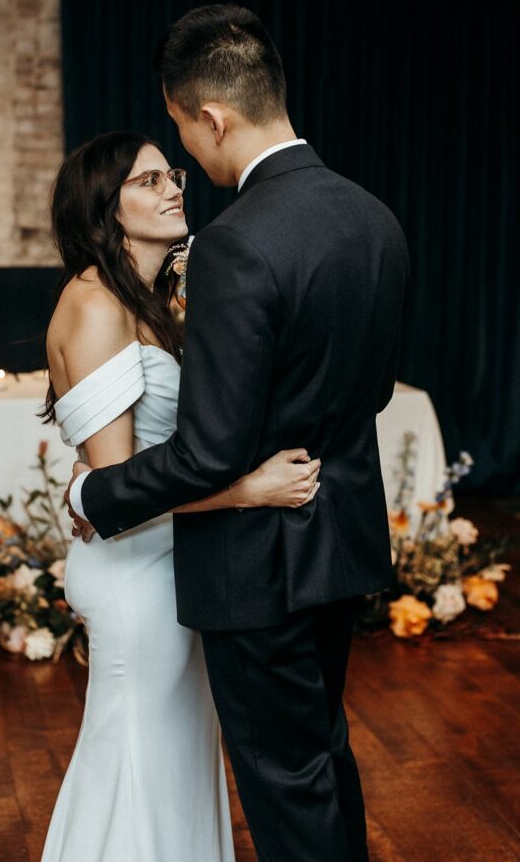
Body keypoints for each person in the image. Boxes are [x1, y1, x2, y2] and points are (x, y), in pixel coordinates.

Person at [66, 4, 410, 862]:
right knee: (321, 756)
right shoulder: (374, 219)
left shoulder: (236, 243)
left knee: (285, 784)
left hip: (258, 562)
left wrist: (96, 494)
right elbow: (367, 392)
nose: (187, 158)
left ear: (212, 116)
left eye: (184, 130)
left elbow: (210, 452)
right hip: (338, 540)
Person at [40, 130, 322, 862]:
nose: (174, 187)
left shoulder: (148, 297)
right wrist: (246, 490)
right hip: (134, 571)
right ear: (104, 209)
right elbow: (114, 491)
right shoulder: (96, 303)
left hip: (174, 559)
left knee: (175, 761)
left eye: (172, 173)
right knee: (135, 762)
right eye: (147, 181)